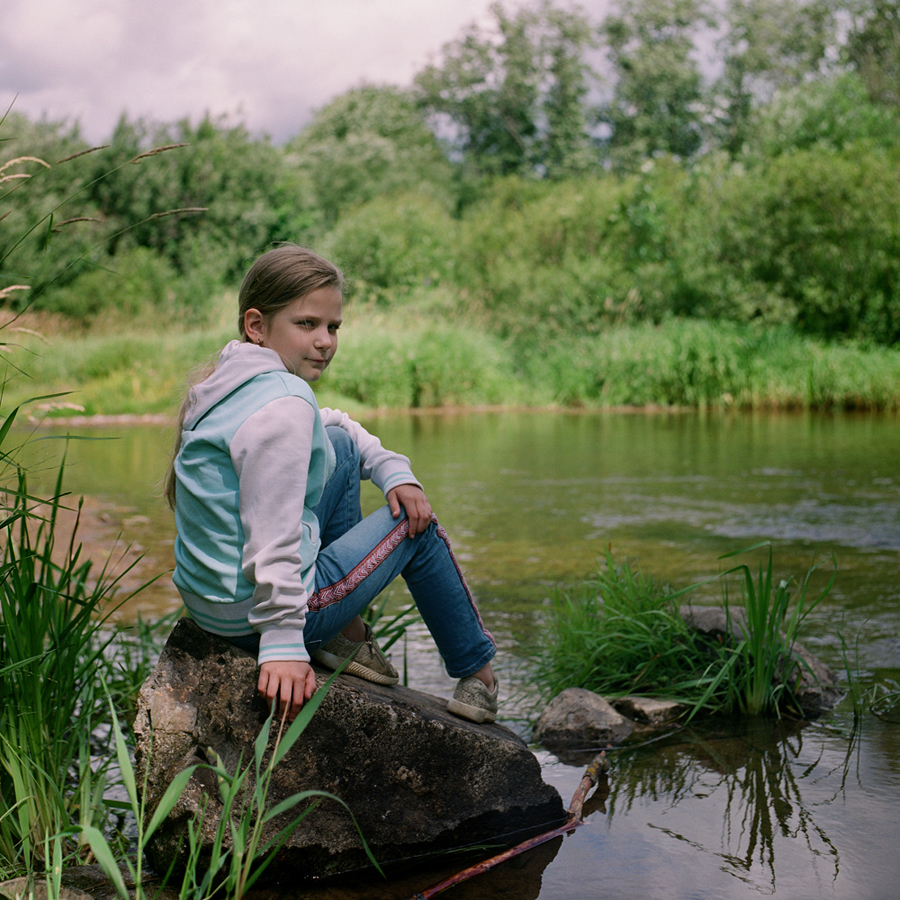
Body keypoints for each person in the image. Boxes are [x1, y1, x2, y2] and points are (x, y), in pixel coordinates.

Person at [164, 245, 497, 725]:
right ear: (256, 325)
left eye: (333, 327)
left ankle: (346, 637)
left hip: (214, 608)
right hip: (259, 620)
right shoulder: (283, 407)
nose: (324, 341)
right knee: (415, 526)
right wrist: (283, 644)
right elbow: (272, 531)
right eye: (306, 324)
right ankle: (478, 672)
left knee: (337, 443)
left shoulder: (225, 381)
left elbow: (334, 425)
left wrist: (392, 470)